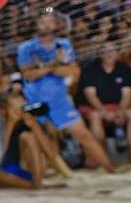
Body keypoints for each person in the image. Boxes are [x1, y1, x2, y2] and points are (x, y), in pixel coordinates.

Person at [16, 10, 115, 172]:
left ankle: (111, 170)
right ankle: (35, 174)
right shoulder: (25, 48)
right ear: (36, 25)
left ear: (56, 25)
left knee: (84, 136)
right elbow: (28, 75)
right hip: (34, 100)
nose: (46, 25)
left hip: (59, 100)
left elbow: (74, 72)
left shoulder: (64, 45)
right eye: (43, 21)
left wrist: (44, 67)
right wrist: (56, 64)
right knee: (38, 138)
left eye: (50, 21)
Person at [77, 46, 131, 159]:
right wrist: (104, 112)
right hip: (95, 107)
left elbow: (127, 94)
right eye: (106, 51)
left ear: (117, 54)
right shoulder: (90, 70)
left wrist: (121, 110)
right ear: (100, 54)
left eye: (112, 51)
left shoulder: (125, 69)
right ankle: (102, 158)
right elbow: (91, 95)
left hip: (117, 106)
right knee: (95, 116)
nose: (109, 54)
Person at [0, 94, 46, 189]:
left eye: (22, 106)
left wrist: (34, 125)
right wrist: (11, 122)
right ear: (4, 110)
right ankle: (31, 186)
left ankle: (36, 183)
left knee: (28, 137)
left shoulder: (27, 122)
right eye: (15, 106)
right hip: (1, 171)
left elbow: (51, 155)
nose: (20, 110)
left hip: (21, 170)